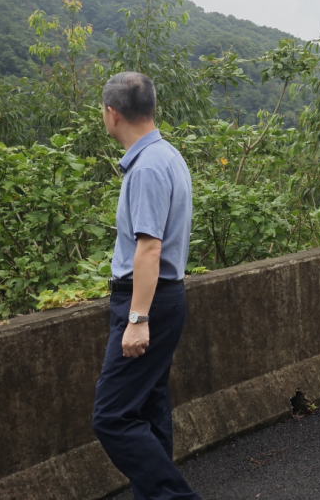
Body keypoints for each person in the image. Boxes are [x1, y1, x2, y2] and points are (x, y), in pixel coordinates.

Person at [92, 72, 201, 499]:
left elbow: (149, 248)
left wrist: (137, 319)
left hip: (146, 301)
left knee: (113, 416)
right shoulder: (166, 155)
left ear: (112, 113)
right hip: (165, 297)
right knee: (150, 408)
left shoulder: (148, 168)